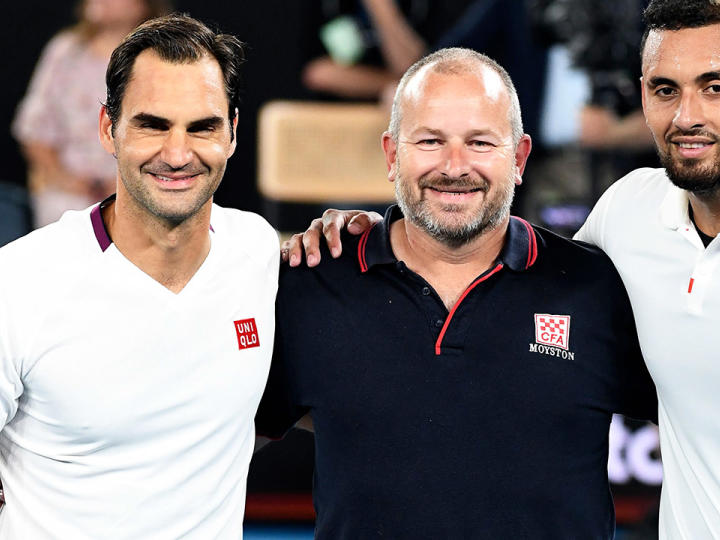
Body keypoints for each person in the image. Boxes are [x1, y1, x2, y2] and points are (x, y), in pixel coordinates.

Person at [288, 0, 720, 537]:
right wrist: (374, 227)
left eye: (716, 86)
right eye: (665, 90)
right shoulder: (627, 216)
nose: (687, 115)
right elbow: (506, 280)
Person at [255, 47, 657, 538]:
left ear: (520, 158)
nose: (454, 166)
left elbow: (713, 426)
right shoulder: (314, 282)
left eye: (481, 143)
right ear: (390, 154)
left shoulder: (596, 287)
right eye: (429, 140)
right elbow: (208, 436)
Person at [0, 14, 280, 539]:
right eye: (152, 124)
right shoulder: (6, 288)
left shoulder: (258, 251)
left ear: (233, 133)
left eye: (202, 127)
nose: (177, 155)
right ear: (108, 128)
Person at [13, 0, 171, 228]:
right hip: (68, 193)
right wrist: (62, 178)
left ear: (143, 6)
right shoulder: (65, 52)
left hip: (140, 185)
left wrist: (130, 182)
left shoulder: (161, 57)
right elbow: (35, 128)